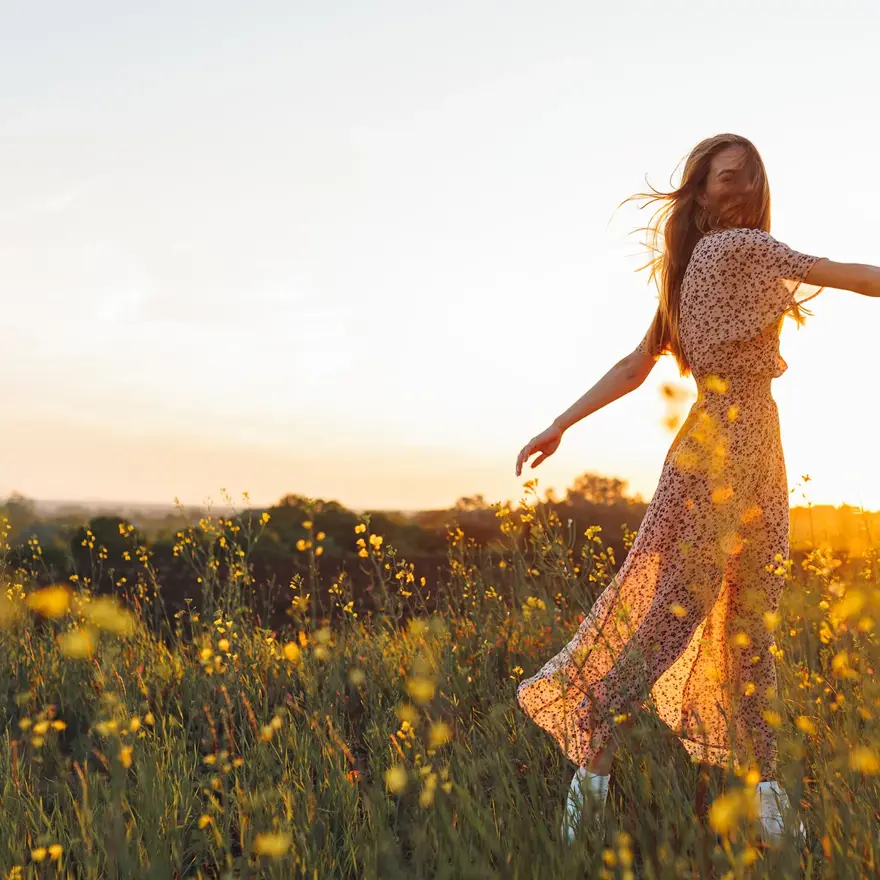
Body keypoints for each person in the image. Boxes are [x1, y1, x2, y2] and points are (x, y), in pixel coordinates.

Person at [513, 133, 880, 847]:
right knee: (683, 620)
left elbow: (634, 364)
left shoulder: (694, 268)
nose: (740, 191)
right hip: (725, 447)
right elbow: (853, 276)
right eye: (726, 179)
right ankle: (589, 778)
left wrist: (560, 423)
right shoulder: (743, 249)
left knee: (745, 628)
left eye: (749, 180)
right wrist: (559, 422)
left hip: (741, 443)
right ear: (701, 191)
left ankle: (770, 808)